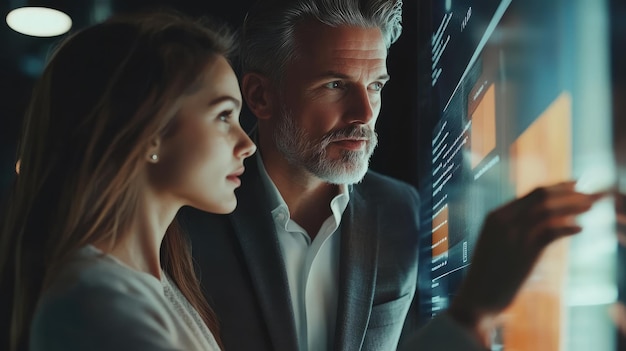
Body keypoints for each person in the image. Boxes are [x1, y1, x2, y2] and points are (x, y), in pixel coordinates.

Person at [179, 0, 604, 350]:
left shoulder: (403, 211)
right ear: (259, 95)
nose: (364, 114)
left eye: (376, 86)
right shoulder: (185, 223)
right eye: (335, 86)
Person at [0, 11, 256, 351]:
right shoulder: (95, 303)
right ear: (150, 132)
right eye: (223, 115)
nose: (248, 144)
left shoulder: (153, 287)